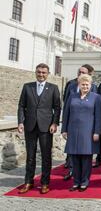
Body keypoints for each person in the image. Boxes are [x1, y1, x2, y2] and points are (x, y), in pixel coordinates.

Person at [17, 63, 61, 194]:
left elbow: (57, 108)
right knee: (30, 156)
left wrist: (54, 123)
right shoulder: (27, 87)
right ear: (35, 73)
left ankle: (45, 183)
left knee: (46, 156)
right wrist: (20, 122)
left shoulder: (53, 88)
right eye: (39, 72)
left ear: (48, 74)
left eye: (43, 72)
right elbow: (21, 106)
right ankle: (28, 182)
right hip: (30, 125)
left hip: (46, 127)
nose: (41, 74)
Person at [62, 74, 101, 192]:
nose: (85, 86)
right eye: (82, 84)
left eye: (87, 84)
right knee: (74, 158)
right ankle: (76, 181)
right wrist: (64, 129)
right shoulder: (72, 97)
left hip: (88, 132)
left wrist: (97, 132)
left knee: (86, 158)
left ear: (90, 85)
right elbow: (66, 114)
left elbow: (99, 117)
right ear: (78, 85)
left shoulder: (96, 97)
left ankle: (84, 181)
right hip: (73, 131)